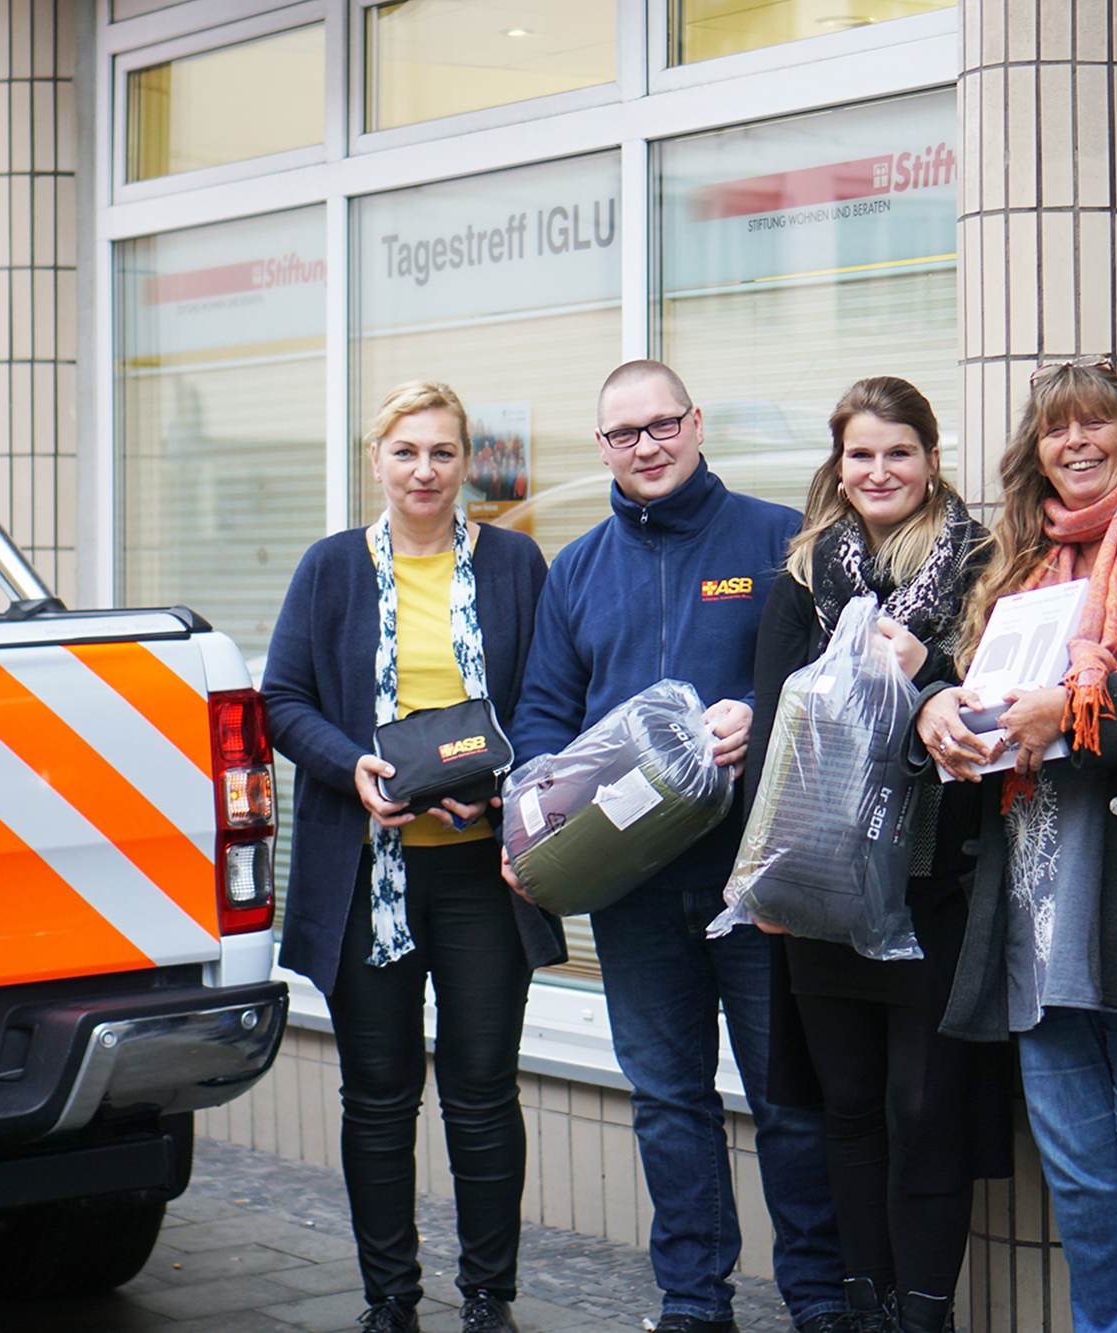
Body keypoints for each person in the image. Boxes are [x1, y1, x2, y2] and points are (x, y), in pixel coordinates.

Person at [505, 360, 845, 1333]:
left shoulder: (777, 538)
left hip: (757, 877)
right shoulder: (574, 570)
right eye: (623, 433)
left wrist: (762, 711)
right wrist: (530, 821)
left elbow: (832, 685)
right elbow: (539, 720)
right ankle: (693, 1300)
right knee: (667, 1099)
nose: (645, 446)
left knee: (789, 1098)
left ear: (695, 423)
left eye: (661, 425)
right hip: (631, 890)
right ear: (601, 444)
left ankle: (818, 1293)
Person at [917, 360, 1117, 1333]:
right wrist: (935, 708)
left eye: (1092, 423)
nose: (1074, 443)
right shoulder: (1017, 561)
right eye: (1054, 430)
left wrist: (1070, 710)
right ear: (1036, 454)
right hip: (1034, 924)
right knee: (1089, 1202)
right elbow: (949, 684)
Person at [262, 381, 567, 1333]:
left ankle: (488, 1301)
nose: (425, 470)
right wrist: (349, 764)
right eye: (406, 452)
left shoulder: (516, 563)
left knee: (482, 1092)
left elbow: (556, 694)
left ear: (467, 460)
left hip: (483, 873)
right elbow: (283, 700)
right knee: (381, 1097)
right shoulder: (330, 570)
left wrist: (507, 781)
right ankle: (389, 1301)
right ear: (375, 459)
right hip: (368, 878)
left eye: (443, 452)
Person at [744, 377, 1012, 1333]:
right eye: (862, 453)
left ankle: (924, 1314)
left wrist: (925, 672)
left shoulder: (984, 566)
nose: (880, 470)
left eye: (899, 451)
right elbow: (776, 733)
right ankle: (869, 1304)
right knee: (850, 1105)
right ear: (839, 464)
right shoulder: (805, 573)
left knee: (925, 1110)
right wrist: (765, 877)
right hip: (822, 886)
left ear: (932, 459)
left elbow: (999, 706)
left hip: (937, 881)